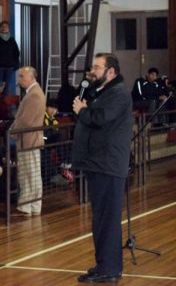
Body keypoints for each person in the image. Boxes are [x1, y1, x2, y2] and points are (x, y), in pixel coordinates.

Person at [72, 53, 132, 283]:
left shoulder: (118, 94)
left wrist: (83, 111)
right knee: (101, 219)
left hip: (108, 164)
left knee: (107, 219)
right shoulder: (104, 92)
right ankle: (103, 264)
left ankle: (109, 268)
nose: (92, 72)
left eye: (97, 68)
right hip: (99, 164)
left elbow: (101, 118)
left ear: (111, 72)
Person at [9, 66, 46, 216]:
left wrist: (13, 131)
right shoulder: (33, 93)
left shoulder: (34, 95)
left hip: (28, 140)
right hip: (29, 139)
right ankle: (33, 206)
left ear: (31, 77)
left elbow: (26, 120)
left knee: (29, 174)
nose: (19, 80)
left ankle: (27, 206)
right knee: (32, 174)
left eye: (22, 77)